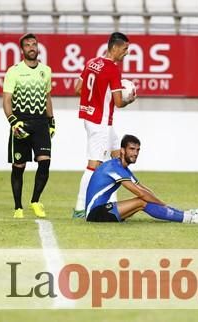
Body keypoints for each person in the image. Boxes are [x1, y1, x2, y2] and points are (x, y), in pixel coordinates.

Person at [72, 32, 136, 218]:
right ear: (115, 47)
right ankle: (79, 208)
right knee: (94, 165)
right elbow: (118, 102)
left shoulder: (92, 62)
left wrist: (95, 99)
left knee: (117, 156)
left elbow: (77, 89)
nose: (126, 53)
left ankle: (109, 201)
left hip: (91, 119)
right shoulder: (112, 69)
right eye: (125, 49)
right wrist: (129, 100)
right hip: (100, 122)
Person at [85, 134, 198, 223]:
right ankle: (188, 218)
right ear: (122, 150)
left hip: (103, 208)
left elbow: (142, 188)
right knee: (142, 201)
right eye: (132, 149)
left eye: (138, 150)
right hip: (94, 213)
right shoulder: (114, 168)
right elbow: (140, 193)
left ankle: (187, 214)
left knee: (144, 201)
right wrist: (163, 204)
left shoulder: (122, 168)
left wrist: (165, 205)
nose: (135, 153)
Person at [2, 33, 55, 219]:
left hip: (40, 122)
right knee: (19, 166)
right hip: (20, 122)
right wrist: (12, 121)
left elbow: (47, 97)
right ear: (22, 49)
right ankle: (18, 207)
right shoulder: (14, 71)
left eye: (34, 44)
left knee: (45, 162)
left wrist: (51, 121)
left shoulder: (46, 71)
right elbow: (7, 100)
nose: (32, 47)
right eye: (28, 45)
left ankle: (35, 201)